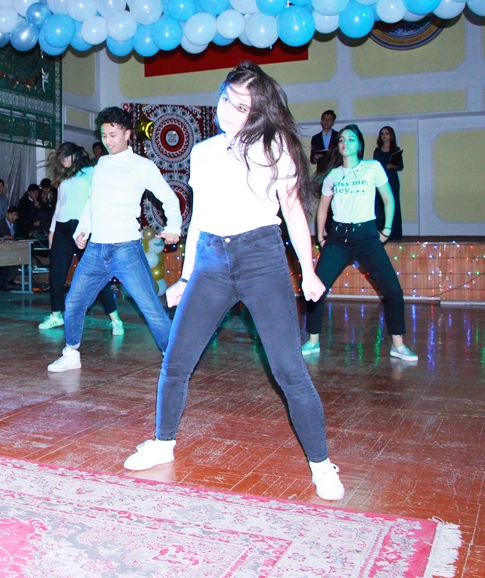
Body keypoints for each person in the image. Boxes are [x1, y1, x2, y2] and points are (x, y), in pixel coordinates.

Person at [122, 62, 345, 503]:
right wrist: (186, 276)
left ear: (258, 110)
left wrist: (308, 270)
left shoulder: (275, 146)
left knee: (289, 370)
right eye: (225, 99)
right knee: (176, 360)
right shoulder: (203, 152)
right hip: (210, 262)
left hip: (261, 257)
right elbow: (200, 218)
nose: (228, 110)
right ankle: (163, 443)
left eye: (241, 107)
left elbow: (293, 211)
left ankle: (322, 464)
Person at [47, 107, 180, 373]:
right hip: (96, 249)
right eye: (104, 135)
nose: (107, 141)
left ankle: (174, 358)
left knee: (150, 307)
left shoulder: (143, 166)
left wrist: (173, 226)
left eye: (113, 134)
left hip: (125, 249)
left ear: (127, 134)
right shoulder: (102, 165)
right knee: (73, 302)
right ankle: (71, 352)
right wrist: (82, 229)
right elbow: (92, 202)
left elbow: (169, 198)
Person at [303, 124, 417, 362]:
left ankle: (398, 345)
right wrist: (321, 236)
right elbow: (323, 208)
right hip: (338, 238)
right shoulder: (333, 175)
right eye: (341, 140)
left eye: (351, 139)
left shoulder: (372, 168)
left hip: (366, 236)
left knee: (393, 291)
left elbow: (388, 199)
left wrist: (386, 229)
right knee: (316, 290)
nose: (345, 143)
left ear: (359, 145)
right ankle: (312, 341)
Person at [39, 142, 122, 336]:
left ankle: (115, 319)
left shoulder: (91, 172)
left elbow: (100, 199)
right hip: (62, 228)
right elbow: (60, 205)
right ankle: (56, 315)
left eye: (66, 156)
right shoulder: (64, 178)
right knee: (56, 274)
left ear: (75, 156)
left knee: (96, 275)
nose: (63, 161)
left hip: (84, 228)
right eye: (61, 158)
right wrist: (52, 230)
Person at [373, 125, 404, 241]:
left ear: (391, 136)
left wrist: (392, 166)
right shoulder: (377, 151)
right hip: (379, 180)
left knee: (393, 205)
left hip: (392, 179)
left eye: (386, 133)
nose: (384, 136)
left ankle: (394, 234)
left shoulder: (395, 150)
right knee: (379, 206)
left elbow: (400, 166)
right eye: (382, 134)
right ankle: (380, 233)